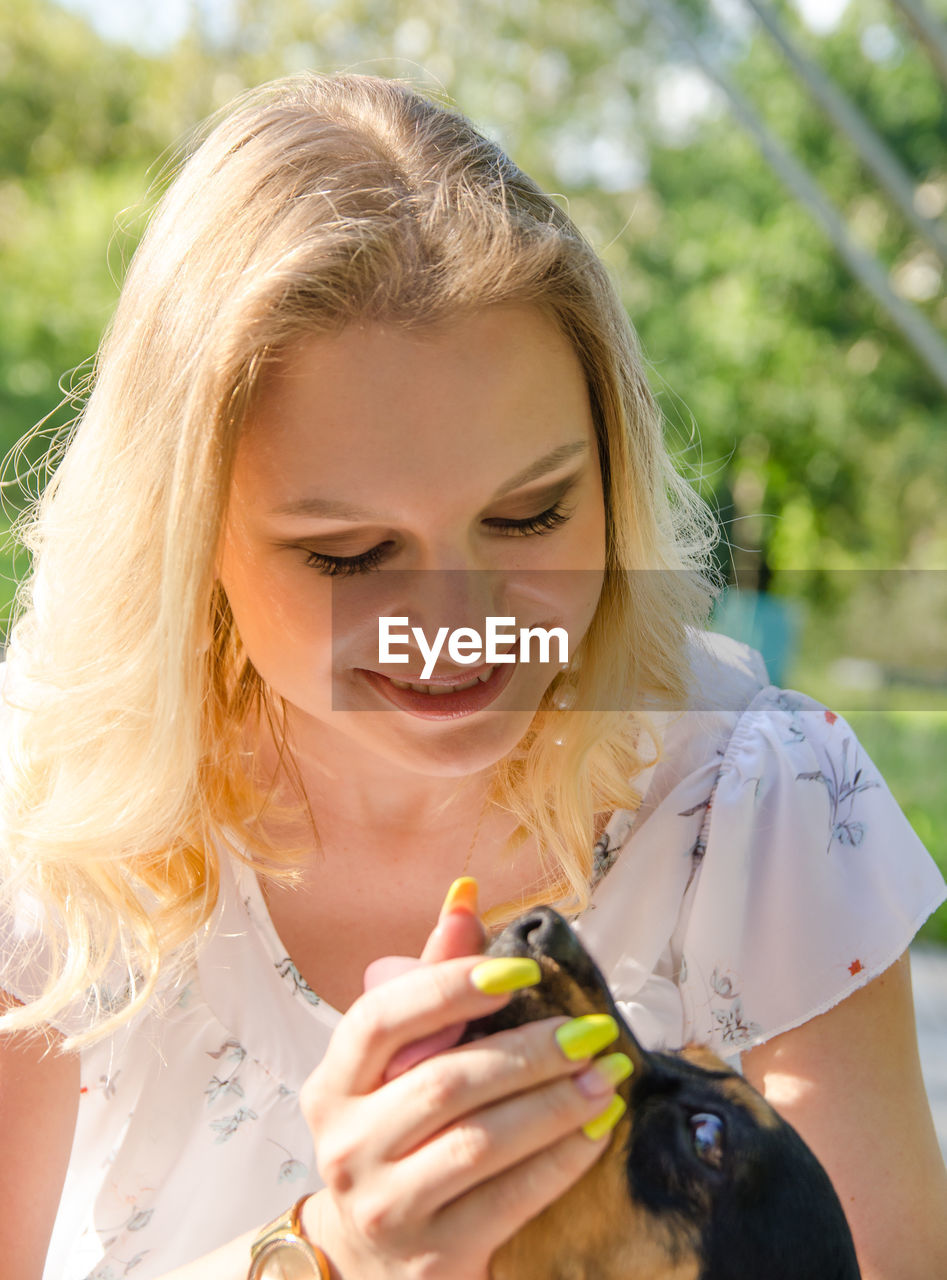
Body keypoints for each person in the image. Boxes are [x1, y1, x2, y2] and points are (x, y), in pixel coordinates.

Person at [0, 71, 944, 1280]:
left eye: (531, 513)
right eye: (349, 550)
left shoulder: (760, 806)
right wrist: (324, 1254)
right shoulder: (56, 822)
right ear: (185, 545)